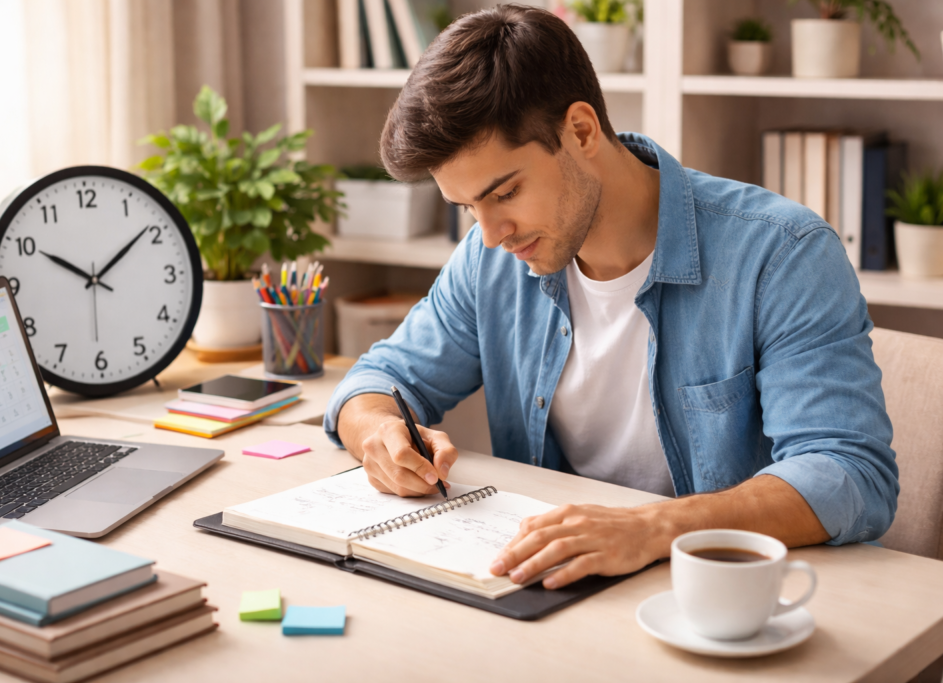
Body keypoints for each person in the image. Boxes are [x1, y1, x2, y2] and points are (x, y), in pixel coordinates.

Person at [322, 5, 897, 590]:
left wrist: (651, 528)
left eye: (506, 192)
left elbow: (849, 473)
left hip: (728, 599)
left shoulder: (782, 254)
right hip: (560, 592)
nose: (490, 234)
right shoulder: (488, 261)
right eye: (468, 207)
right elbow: (376, 380)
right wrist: (378, 434)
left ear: (580, 130)